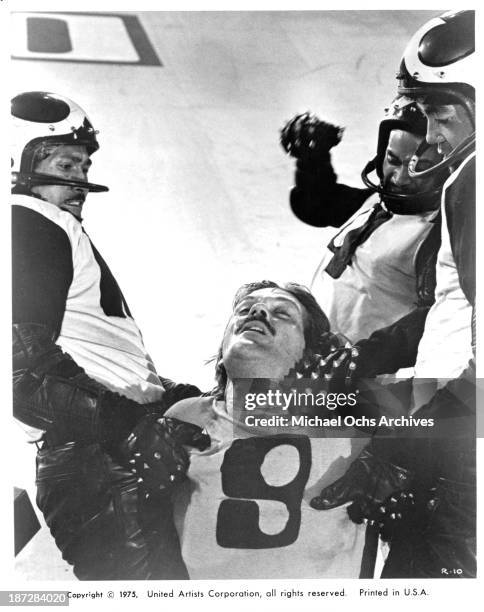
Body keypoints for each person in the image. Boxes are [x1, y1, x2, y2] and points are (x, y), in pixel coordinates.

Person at [310, 10, 476, 578]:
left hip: (433, 424)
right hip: (430, 417)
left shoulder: (464, 192)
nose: (428, 143)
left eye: (440, 117)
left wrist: (407, 444)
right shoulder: (387, 202)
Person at [11, 91, 203, 580]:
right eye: (66, 164)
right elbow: (19, 374)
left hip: (103, 455)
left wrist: (157, 397)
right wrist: (130, 424)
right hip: (97, 459)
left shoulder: (43, 228)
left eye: (84, 167)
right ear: (16, 158)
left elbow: (89, 352)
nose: (81, 180)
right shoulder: (31, 223)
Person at [159, 280, 373, 579]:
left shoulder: (354, 432)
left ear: (313, 355)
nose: (257, 311)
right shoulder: (187, 417)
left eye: (282, 314)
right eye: (244, 309)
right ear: (222, 351)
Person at [280, 99, 444, 343]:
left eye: (421, 167)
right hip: (317, 359)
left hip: (364, 373)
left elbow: (432, 322)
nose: (400, 178)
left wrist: (368, 359)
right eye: (393, 159)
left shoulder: (439, 234)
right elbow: (313, 206)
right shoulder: (375, 202)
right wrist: (313, 157)